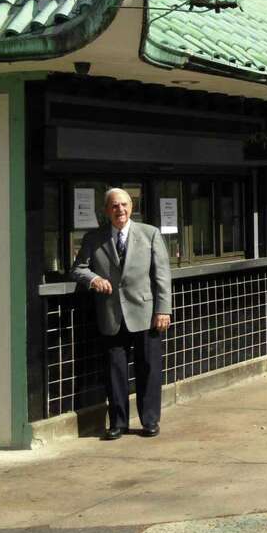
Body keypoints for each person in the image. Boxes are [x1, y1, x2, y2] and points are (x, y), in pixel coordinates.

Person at [72, 188, 172, 439]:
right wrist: (93, 279)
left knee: (148, 369)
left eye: (125, 205)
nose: (121, 210)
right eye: (115, 206)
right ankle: (118, 423)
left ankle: (150, 420)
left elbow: (162, 276)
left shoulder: (150, 234)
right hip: (111, 315)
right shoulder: (94, 239)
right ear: (107, 210)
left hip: (146, 313)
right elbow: (78, 269)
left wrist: (163, 309)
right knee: (114, 371)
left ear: (132, 207)